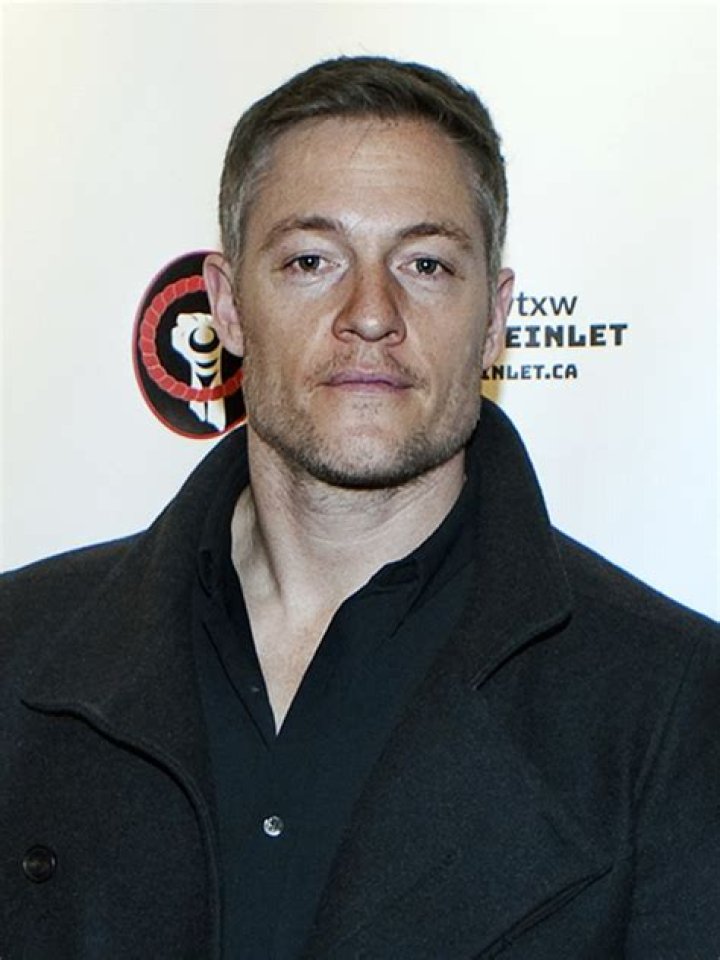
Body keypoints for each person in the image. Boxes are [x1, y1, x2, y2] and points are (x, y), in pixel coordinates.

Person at [1, 56, 718, 960]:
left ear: (495, 318)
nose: (371, 312)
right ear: (225, 305)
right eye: (311, 260)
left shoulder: (672, 705)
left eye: (425, 264)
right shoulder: (19, 648)